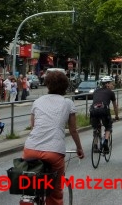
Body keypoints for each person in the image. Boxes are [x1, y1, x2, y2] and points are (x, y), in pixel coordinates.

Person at [23, 70, 84, 205]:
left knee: (30, 184)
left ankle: (28, 198)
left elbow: (33, 127)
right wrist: (79, 148)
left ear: (47, 85)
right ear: (65, 86)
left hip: (30, 149)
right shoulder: (67, 103)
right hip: (54, 152)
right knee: (55, 193)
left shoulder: (38, 101)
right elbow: (73, 130)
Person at [90, 76, 119, 153]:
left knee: (96, 127)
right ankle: (105, 142)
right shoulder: (111, 93)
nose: (113, 85)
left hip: (93, 110)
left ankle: (95, 146)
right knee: (108, 126)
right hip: (104, 110)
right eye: (112, 83)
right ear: (107, 84)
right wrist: (116, 116)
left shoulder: (96, 91)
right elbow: (115, 107)